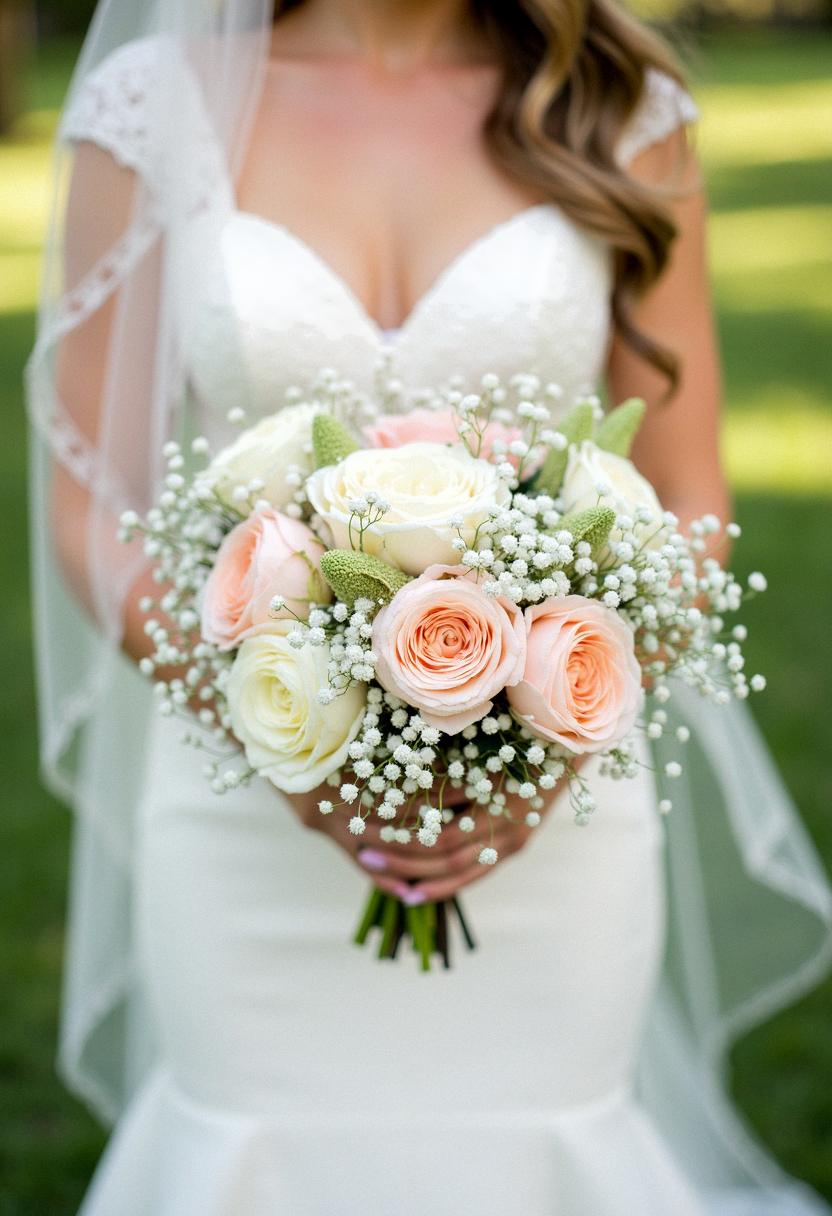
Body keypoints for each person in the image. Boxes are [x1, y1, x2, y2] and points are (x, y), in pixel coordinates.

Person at [25, 1, 832, 1212]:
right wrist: (285, 741)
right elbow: (90, 503)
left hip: (553, 828)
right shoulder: (154, 112)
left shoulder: (619, 111)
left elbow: (689, 496)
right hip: (247, 800)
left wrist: (547, 747)